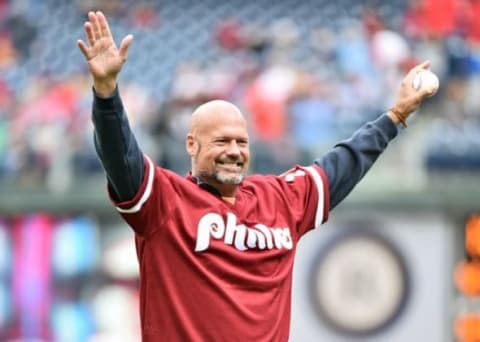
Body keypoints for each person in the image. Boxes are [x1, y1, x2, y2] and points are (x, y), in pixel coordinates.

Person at [77, 11, 437, 342]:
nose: (234, 150)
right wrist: (106, 96)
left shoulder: (280, 199)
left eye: (241, 141)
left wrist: (395, 116)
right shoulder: (166, 202)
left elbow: (342, 164)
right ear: (191, 144)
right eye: (221, 141)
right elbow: (120, 157)